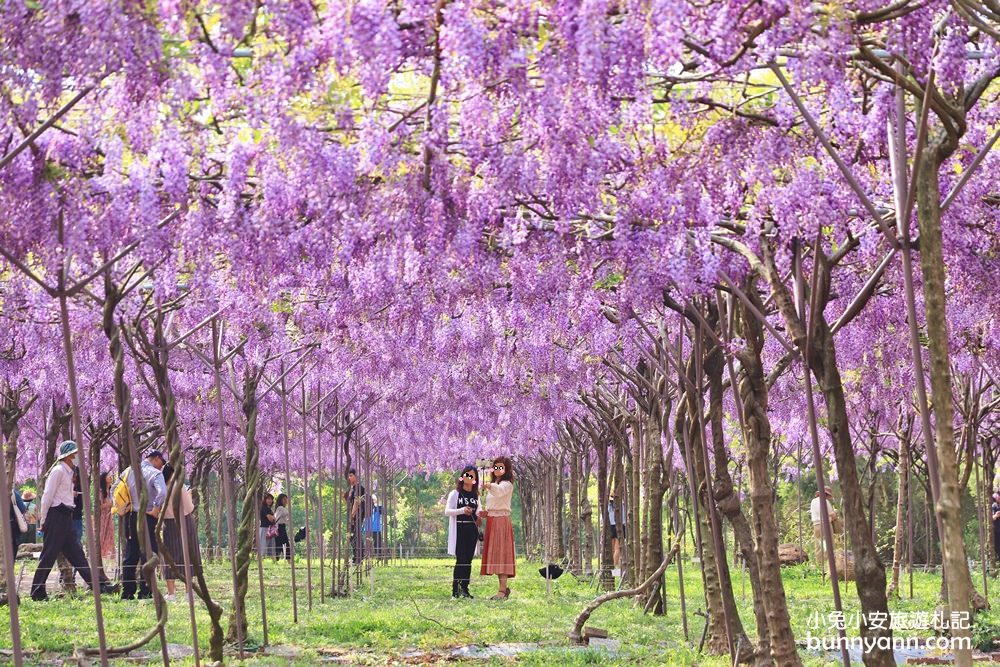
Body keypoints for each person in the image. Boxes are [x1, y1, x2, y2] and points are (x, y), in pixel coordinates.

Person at [30, 441, 114, 601]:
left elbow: (64, 495)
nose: (78, 457)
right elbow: (47, 496)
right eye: (76, 454)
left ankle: (99, 586)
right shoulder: (58, 471)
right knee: (49, 554)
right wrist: (44, 519)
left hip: (67, 516)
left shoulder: (69, 472)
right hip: (56, 516)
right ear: (68, 456)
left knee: (78, 555)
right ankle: (37, 591)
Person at [117, 449, 167, 600]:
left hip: (131, 516)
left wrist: (121, 508)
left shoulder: (128, 471)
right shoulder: (155, 473)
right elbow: (163, 492)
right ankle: (145, 590)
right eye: (161, 464)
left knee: (131, 553)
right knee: (149, 552)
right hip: (148, 516)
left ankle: (127, 591)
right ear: (157, 459)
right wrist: (157, 508)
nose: (161, 467)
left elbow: (115, 488)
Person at [161, 464, 200, 601]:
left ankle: (171, 593)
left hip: (168, 524)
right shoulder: (179, 485)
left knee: (170, 557)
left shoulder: (161, 486)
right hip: (184, 521)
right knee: (188, 555)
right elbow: (189, 507)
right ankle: (188, 592)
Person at [479, 456, 516, 600]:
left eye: (500, 467)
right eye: (495, 467)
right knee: (495, 554)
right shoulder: (494, 484)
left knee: (502, 554)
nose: (497, 469)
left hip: (501, 521)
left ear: (506, 469)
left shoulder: (507, 484)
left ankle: (502, 590)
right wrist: (486, 513)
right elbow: (494, 501)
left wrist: (488, 485)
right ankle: (502, 589)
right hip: (492, 520)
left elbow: (499, 492)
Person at [445, 465, 480, 598]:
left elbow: (477, 512)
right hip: (459, 528)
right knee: (461, 559)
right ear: (462, 476)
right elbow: (447, 511)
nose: (469, 478)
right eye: (467, 475)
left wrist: (481, 515)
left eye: (472, 476)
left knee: (468, 561)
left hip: (472, 530)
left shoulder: (476, 495)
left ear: (475, 479)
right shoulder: (455, 494)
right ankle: (455, 590)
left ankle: (465, 589)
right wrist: (462, 510)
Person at [810, 487, 839, 575]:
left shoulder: (813, 501)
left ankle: (820, 567)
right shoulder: (826, 502)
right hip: (825, 525)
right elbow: (831, 515)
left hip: (816, 526)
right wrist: (835, 512)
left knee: (819, 546)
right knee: (828, 546)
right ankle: (828, 568)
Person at [343, 469, 367, 564]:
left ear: (356, 476)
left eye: (351, 475)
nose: (350, 478)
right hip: (353, 515)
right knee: (353, 535)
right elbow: (350, 502)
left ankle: (359, 557)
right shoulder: (352, 488)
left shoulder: (359, 488)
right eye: (348, 476)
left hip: (358, 515)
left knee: (355, 535)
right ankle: (357, 556)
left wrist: (352, 515)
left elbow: (356, 503)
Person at [98, 472, 115, 561]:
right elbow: (98, 507)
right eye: (109, 476)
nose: (111, 477)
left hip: (109, 517)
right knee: (102, 535)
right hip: (103, 518)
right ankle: (101, 556)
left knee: (110, 535)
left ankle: (109, 558)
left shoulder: (111, 490)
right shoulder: (101, 492)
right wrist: (109, 504)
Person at [608, 493, 624, 570]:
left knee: (612, 548)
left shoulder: (609, 506)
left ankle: (611, 565)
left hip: (610, 526)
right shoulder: (622, 505)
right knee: (617, 548)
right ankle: (614, 566)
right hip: (619, 525)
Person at [273, 494, 291, 561]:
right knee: (285, 543)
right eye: (284, 499)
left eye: (286, 499)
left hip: (281, 527)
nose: (286, 500)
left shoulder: (279, 508)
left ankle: (276, 559)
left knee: (279, 544)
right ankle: (288, 560)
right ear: (280, 500)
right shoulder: (280, 508)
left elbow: (283, 520)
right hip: (279, 528)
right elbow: (288, 513)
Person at [259, 493, 277, 559]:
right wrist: (274, 518)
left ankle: (273, 560)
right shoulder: (264, 508)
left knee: (271, 545)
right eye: (268, 499)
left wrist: (274, 518)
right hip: (264, 529)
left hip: (270, 529)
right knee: (263, 545)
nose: (270, 500)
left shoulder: (269, 509)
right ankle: (260, 559)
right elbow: (271, 518)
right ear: (265, 500)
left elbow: (274, 519)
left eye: (271, 499)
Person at [991, 491, 1000, 563]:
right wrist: (996, 516)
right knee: (997, 546)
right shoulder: (994, 506)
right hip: (997, 530)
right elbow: (991, 518)